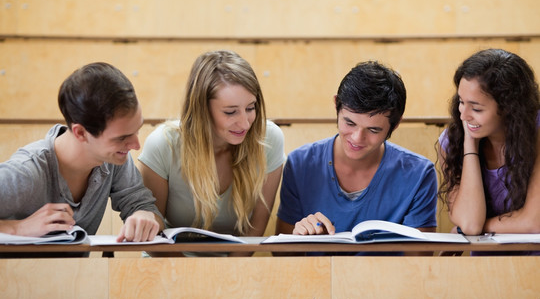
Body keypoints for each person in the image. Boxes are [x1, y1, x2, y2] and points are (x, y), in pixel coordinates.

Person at [275, 60, 438, 255]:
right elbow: (282, 256)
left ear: (394, 126)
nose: (357, 138)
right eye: (349, 123)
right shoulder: (299, 164)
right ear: (337, 105)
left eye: (373, 129)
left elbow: (420, 263)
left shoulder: (419, 174)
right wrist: (301, 238)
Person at [138, 50, 285, 256]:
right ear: (201, 109)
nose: (244, 123)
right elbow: (153, 233)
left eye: (250, 108)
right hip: (168, 266)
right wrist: (195, 278)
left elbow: (256, 227)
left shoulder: (269, 139)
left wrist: (224, 278)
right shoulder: (163, 144)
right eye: (230, 112)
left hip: (232, 270)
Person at [0, 62, 164, 244]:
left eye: (137, 130)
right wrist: (17, 228)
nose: (136, 145)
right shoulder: (25, 172)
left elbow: (144, 207)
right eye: (121, 137)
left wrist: (145, 215)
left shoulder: (113, 159)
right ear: (80, 133)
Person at [438, 48, 540, 255]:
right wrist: (470, 146)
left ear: (509, 108)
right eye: (461, 102)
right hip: (486, 270)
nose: (464, 115)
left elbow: (533, 222)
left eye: (476, 108)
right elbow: (469, 222)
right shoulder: (452, 141)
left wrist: (471, 230)